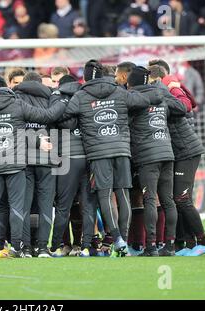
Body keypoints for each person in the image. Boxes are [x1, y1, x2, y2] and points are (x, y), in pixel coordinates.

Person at [0, 76, 67, 258]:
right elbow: (47, 116)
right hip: (15, 164)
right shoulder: (17, 104)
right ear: (7, 88)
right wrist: (60, 100)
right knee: (17, 207)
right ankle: (17, 248)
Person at [60, 60, 150, 257]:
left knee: (105, 194)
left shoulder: (80, 95)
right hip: (121, 149)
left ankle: (117, 238)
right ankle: (123, 241)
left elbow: (65, 117)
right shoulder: (119, 91)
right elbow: (142, 101)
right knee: (123, 194)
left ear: (84, 77)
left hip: (98, 152)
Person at [127, 66, 187, 256]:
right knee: (168, 200)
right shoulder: (160, 94)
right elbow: (181, 108)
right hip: (167, 152)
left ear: (132, 82)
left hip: (148, 156)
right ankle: (169, 246)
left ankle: (151, 246)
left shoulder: (133, 99)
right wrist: (165, 91)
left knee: (150, 199)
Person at [160, 72, 205, 256]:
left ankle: (203, 242)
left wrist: (171, 87)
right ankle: (190, 243)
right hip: (179, 152)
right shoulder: (168, 93)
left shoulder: (171, 92)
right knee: (177, 199)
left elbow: (188, 105)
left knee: (181, 199)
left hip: (187, 152)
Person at [51, 74, 99, 257]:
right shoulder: (87, 96)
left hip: (66, 158)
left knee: (63, 206)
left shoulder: (56, 100)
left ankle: (56, 247)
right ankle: (86, 247)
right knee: (88, 205)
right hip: (88, 157)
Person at [13, 72, 59, 258]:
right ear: (40, 83)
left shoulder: (16, 98)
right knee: (46, 205)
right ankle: (42, 247)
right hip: (47, 157)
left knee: (23, 205)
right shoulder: (52, 97)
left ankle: (25, 247)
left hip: (23, 158)